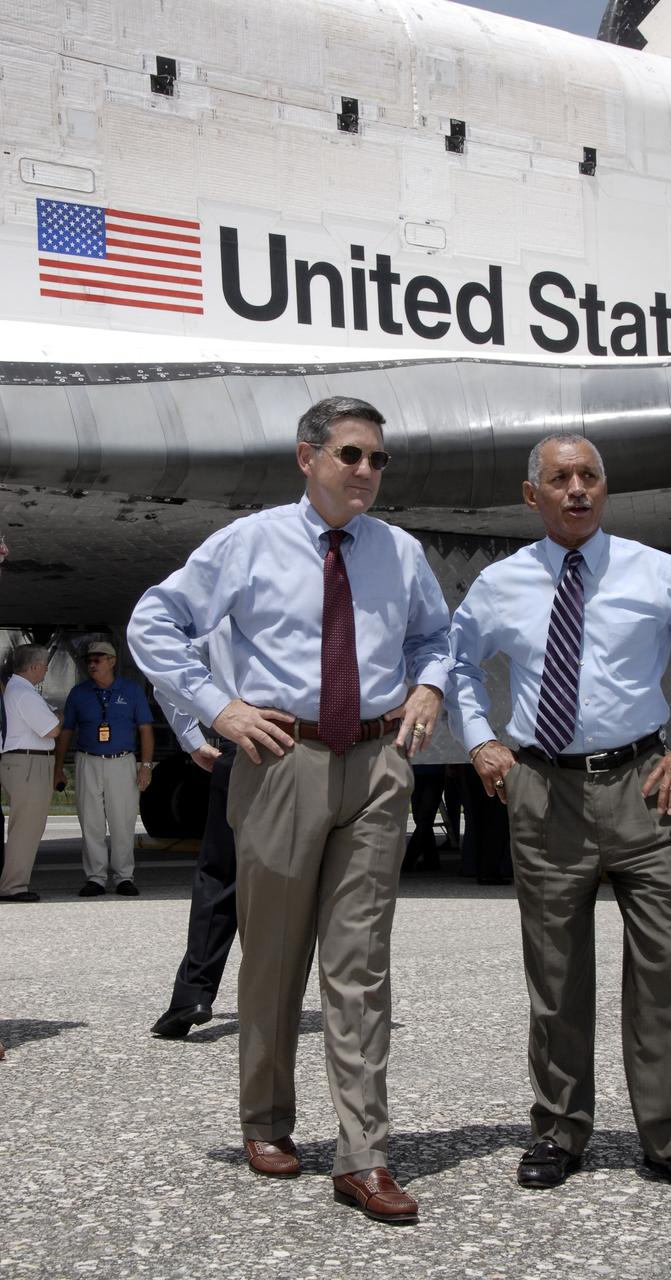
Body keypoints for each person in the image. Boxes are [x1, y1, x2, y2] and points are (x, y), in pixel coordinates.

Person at [128, 395, 451, 1225]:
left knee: (360, 965)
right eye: (351, 454)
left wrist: (428, 682)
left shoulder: (400, 551)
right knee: (273, 958)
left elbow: (436, 636)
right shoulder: (249, 542)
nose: (367, 472)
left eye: (378, 459)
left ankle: (363, 1154)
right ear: (306, 457)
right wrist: (214, 706)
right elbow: (154, 621)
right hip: (280, 762)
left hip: (376, 765)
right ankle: (266, 1121)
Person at [447, 433, 671, 1202]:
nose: (577, 489)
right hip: (543, 791)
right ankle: (558, 1129)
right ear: (533, 495)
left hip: (645, 787)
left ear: (604, 488)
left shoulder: (655, 572)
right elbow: (450, 662)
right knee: (555, 974)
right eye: (560, 478)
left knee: (667, 972)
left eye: (589, 476)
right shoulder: (502, 584)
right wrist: (481, 740)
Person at [151, 620, 238, 1038]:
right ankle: (278, 998)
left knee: (220, 875)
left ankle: (193, 995)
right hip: (316, 749)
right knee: (297, 881)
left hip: (243, 747)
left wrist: (191, 738)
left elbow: (166, 675)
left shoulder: (221, 611)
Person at [53, 641, 154, 897]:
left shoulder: (131, 690)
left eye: (98, 659)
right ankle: (95, 877)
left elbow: (145, 729)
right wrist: (58, 766)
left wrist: (146, 766)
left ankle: (124, 876)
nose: (92, 664)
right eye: (89, 660)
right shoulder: (79, 693)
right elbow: (66, 731)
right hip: (88, 760)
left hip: (122, 761)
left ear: (112, 661)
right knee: (91, 821)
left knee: (123, 820)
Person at [0, 644, 60, 903]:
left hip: (23, 762)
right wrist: (59, 716)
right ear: (34, 667)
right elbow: (52, 730)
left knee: (25, 826)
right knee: (26, 829)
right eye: (45, 666)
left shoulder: (16, 690)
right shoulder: (24, 694)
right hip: (29, 763)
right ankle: (13, 886)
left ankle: (13, 882)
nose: (46, 671)